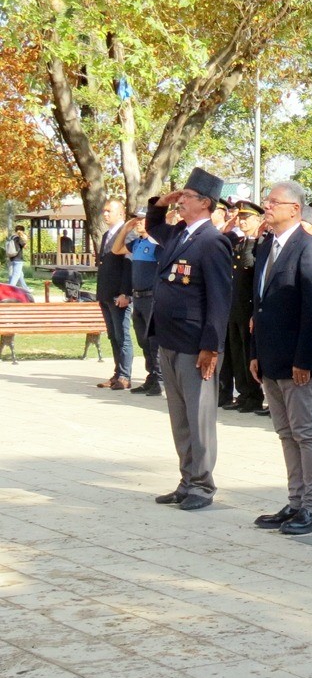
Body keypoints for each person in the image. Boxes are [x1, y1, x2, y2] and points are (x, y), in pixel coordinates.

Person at [145, 168, 233, 511]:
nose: (181, 202)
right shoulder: (181, 233)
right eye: (180, 196)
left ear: (205, 203)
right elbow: (153, 228)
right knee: (180, 417)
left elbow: (219, 298)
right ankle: (186, 478)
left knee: (199, 417)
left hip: (196, 345)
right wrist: (160, 203)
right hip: (169, 339)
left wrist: (211, 346)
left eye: (187, 197)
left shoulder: (213, 241)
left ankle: (202, 484)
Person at [248, 181, 312, 537]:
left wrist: (305, 358)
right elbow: (260, 305)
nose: (267, 207)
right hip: (271, 356)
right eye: (267, 201)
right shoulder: (269, 246)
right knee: (285, 432)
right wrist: (255, 353)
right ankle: (295, 500)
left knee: (304, 432)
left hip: (298, 360)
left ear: (295, 210)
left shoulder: (309, 249)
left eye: (274, 202)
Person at [221, 201, 265, 413]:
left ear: (258, 220)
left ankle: (254, 395)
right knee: (237, 353)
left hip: (248, 308)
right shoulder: (238, 244)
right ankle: (243, 393)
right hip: (234, 307)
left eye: (247, 218)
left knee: (249, 354)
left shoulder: (260, 246)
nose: (242, 221)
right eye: (241, 218)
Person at [96, 200, 134, 390]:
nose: (105, 214)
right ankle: (117, 373)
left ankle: (125, 375)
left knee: (122, 336)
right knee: (113, 336)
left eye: (109, 211)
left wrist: (126, 293)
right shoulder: (106, 235)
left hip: (119, 295)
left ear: (121, 213)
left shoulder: (126, 234)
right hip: (106, 293)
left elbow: (128, 265)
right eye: (104, 211)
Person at [126, 212, 163, 396]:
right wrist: (126, 227)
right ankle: (151, 376)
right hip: (138, 297)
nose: (138, 223)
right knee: (143, 340)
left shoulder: (156, 245)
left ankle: (159, 379)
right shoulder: (137, 243)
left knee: (153, 340)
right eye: (137, 220)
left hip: (151, 297)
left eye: (142, 219)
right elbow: (117, 250)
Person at [5, 225, 29, 290]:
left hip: (11, 258)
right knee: (16, 275)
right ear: (21, 231)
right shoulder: (18, 238)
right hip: (18, 259)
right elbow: (25, 246)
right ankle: (9, 290)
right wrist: (24, 238)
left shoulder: (11, 237)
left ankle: (26, 289)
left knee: (20, 275)